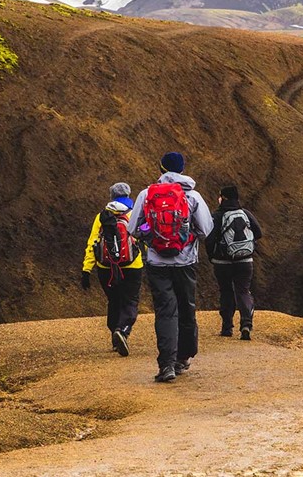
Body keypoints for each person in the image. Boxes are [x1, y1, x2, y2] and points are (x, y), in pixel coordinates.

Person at [128, 152, 213, 383]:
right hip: (185, 261)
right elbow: (206, 230)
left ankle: (166, 365)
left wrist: (152, 238)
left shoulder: (147, 194)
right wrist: (188, 237)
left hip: (157, 262)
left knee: (166, 311)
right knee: (186, 308)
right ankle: (183, 358)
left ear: (161, 168)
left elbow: (133, 229)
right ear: (183, 170)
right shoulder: (193, 196)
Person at [80, 182, 143, 357]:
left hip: (105, 268)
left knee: (114, 300)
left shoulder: (101, 217)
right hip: (132, 265)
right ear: (129, 195)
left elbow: (92, 243)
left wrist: (87, 269)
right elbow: (142, 232)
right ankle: (122, 331)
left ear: (111, 196)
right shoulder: (133, 214)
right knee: (130, 301)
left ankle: (114, 334)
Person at [206, 185, 263, 341]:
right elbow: (258, 233)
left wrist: (212, 256)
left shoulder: (216, 216)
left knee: (226, 291)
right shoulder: (245, 214)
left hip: (222, 262)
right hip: (244, 261)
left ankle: (227, 327)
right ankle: (246, 324)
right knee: (243, 291)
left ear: (223, 198)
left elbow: (209, 239)